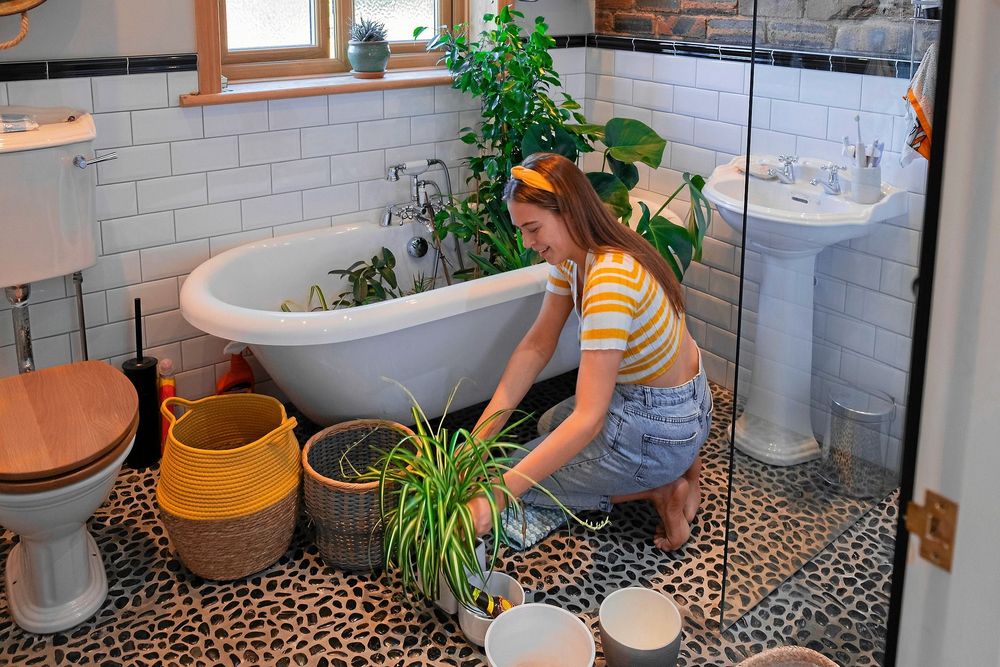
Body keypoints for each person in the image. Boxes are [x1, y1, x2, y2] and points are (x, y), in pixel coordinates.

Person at [467, 152, 712, 552]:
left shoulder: (609, 281)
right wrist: (478, 439)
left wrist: (497, 495)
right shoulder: (584, 251)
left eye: (533, 228)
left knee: (514, 477)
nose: (528, 243)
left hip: (659, 427)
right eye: (522, 231)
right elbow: (537, 345)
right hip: (682, 404)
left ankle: (661, 488)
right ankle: (682, 467)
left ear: (568, 212)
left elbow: (588, 419)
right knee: (548, 426)